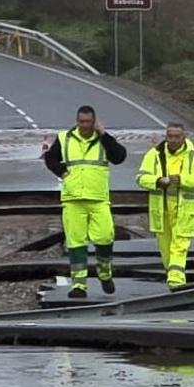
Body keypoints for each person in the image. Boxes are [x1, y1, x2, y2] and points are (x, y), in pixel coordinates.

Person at [44, 105, 128, 299]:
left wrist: (104, 134)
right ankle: (79, 285)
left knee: (105, 237)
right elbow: (50, 158)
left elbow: (119, 157)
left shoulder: (103, 140)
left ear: (94, 122)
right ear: (76, 121)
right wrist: (63, 173)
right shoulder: (65, 138)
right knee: (75, 243)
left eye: (88, 122)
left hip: (98, 199)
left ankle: (104, 272)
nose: (84, 125)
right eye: (81, 122)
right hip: (73, 200)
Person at [135, 122, 194, 290]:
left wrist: (182, 180)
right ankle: (172, 276)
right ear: (166, 137)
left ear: (184, 137)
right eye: (170, 136)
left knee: (179, 246)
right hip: (161, 211)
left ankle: (176, 282)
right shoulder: (154, 155)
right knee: (166, 250)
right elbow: (140, 178)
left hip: (184, 211)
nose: (174, 140)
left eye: (177, 136)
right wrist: (157, 181)